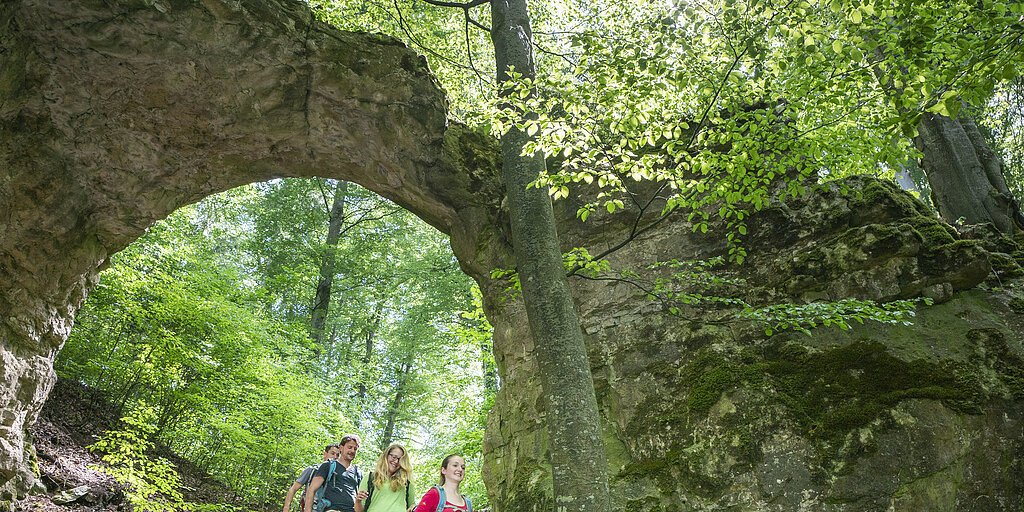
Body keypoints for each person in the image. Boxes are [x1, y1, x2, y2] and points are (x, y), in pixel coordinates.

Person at [305, 434, 368, 512]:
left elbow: (360, 499)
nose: (352, 451)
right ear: (341, 448)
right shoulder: (328, 465)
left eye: (355, 449)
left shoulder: (358, 472)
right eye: (349, 447)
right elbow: (311, 490)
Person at [354, 443, 415, 512]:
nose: (396, 461)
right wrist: (358, 501)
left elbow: (412, 505)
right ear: (386, 456)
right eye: (394, 457)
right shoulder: (370, 478)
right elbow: (359, 510)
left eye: (400, 460)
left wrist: (411, 508)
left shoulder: (406, 481)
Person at [283, 444, 339, 512]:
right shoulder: (312, 470)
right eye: (332, 453)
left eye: (338, 455)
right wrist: (286, 508)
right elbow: (293, 489)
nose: (335, 457)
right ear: (325, 454)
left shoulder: (338, 475)